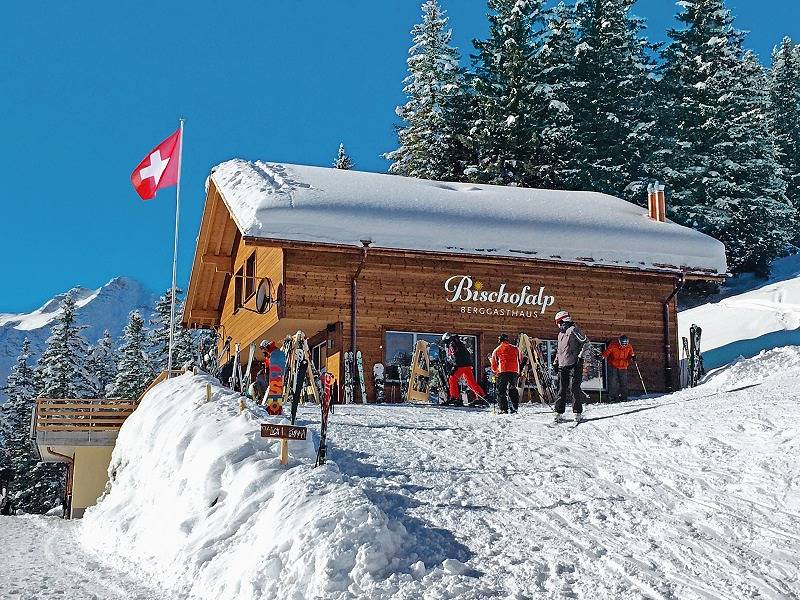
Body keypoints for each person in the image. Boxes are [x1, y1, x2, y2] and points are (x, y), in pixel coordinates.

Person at [553, 310, 589, 423]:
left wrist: (580, 357)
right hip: (562, 364)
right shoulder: (560, 334)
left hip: (575, 364)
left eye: (558, 322)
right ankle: (558, 412)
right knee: (561, 389)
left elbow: (586, 343)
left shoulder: (574, 330)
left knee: (574, 388)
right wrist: (555, 362)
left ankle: (577, 412)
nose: (558, 325)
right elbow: (559, 350)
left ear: (562, 320)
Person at [441, 333, 486, 406]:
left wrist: (454, 366)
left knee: (452, 379)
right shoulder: (458, 342)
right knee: (471, 382)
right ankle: (481, 396)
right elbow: (466, 354)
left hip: (460, 365)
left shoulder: (452, 343)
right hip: (467, 365)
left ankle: (455, 398)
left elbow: (456, 355)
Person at [491, 334, 520, 414]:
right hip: (514, 371)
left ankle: (504, 409)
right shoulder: (515, 348)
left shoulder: (497, 350)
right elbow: (520, 358)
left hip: (503, 371)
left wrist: (495, 372)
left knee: (501, 390)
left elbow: (493, 364)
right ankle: (514, 407)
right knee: (512, 388)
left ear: (500, 340)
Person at [602, 335, 636, 402]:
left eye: (625, 344)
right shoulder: (613, 345)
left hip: (623, 366)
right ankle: (613, 398)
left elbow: (631, 354)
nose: (624, 345)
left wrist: (633, 357)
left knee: (624, 382)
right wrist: (602, 356)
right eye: (622, 344)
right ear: (619, 342)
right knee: (613, 382)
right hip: (613, 366)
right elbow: (607, 352)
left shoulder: (629, 347)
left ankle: (624, 397)